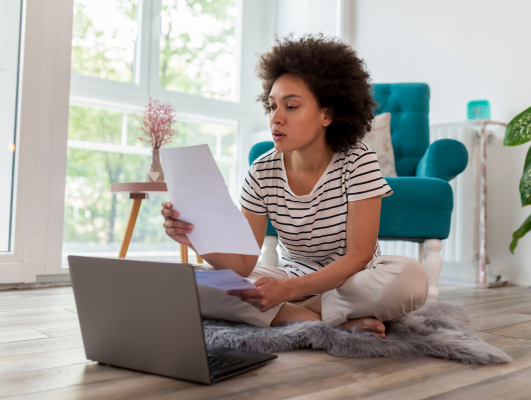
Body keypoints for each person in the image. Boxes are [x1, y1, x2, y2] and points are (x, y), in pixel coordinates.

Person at [161, 34, 428, 338]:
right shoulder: (261, 171)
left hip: (352, 281)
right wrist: (196, 238)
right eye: (272, 106)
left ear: (327, 114)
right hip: (289, 277)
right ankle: (323, 321)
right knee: (193, 282)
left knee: (411, 277)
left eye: (291, 106)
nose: (276, 118)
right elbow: (244, 262)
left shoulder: (358, 160)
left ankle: (297, 314)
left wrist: (286, 290)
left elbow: (359, 255)